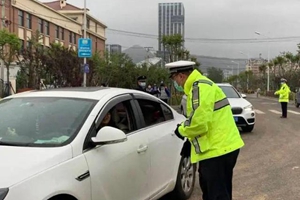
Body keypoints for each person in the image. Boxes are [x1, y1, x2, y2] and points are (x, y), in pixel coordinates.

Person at [166, 60, 244, 200]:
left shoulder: (199, 88)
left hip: (217, 150)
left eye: (174, 79)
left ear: (181, 76)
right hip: (221, 147)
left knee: (216, 195)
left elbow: (199, 123)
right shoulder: (201, 85)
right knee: (218, 192)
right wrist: (190, 142)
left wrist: (181, 130)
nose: (175, 83)